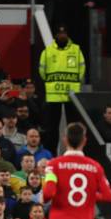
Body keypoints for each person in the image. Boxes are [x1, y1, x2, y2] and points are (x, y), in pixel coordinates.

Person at [38, 25, 86, 154]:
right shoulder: (48, 51)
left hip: (72, 95)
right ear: (56, 36)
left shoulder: (76, 50)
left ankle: (75, 151)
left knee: (73, 127)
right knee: (52, 128)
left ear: (67, 35)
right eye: (60, 34)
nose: (62, 36)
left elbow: (82, 69)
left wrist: (73, 82)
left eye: (64, 34)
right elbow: (42, 70)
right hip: (53, 95)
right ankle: (50, 154)